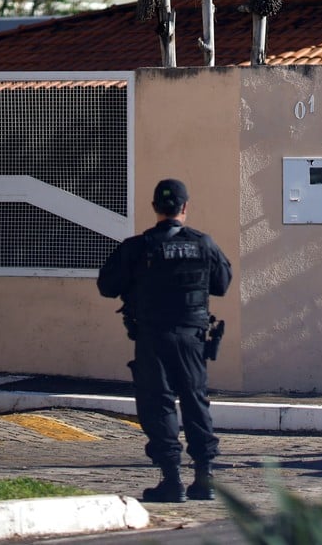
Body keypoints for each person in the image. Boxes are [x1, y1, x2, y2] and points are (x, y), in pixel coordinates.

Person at [97, 179, 232, 503]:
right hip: (192, 339)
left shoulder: (138, 247)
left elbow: (107, 286)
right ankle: (204, 477)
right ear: (185, 207)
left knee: (158, 406)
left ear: (156, 207)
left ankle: (172, 480)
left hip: (153, 338)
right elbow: (222, 284)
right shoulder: (204, 244)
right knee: (195, 402)